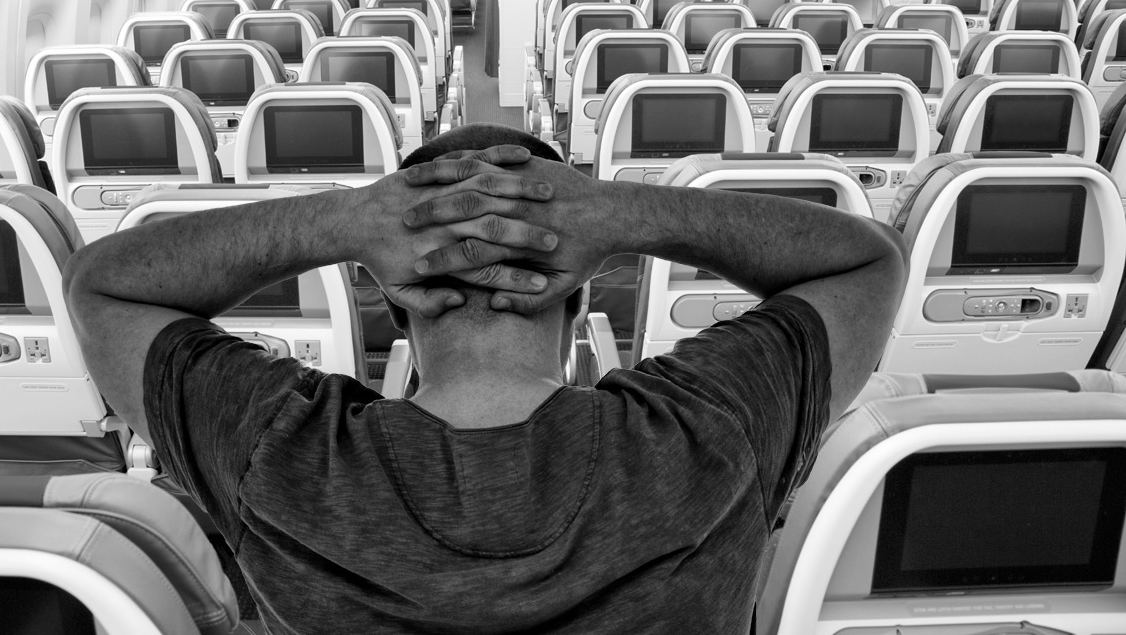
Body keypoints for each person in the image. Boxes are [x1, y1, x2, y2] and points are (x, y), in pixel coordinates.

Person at [62, 123, 908, 634]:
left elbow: (103, 285)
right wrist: (623, 212)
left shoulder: (275, 452)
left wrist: (346, 219)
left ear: (396, 310)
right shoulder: (709, 433)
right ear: (578, 308)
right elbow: (866, 263)